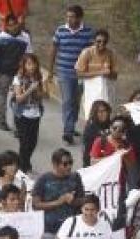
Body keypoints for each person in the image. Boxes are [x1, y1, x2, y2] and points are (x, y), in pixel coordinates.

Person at [45, 4, 94, 145]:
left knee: (75, 102)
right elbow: (53, 50)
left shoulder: (88, 32)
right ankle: (68, 131)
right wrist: (50, 71)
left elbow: (91, 53)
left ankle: (71, 125)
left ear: (79, 17)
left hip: (81, 74)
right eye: (67, 17)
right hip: (64, 72)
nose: (69, 19)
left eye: (72, 17)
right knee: (67, 101)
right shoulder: (60, 31)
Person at [32, 148, 84, 239]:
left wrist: (73, 201)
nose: (69, 166)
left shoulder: (75, 177)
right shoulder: (43, 179)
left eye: (71, 163)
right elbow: (36, 205)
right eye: (65, 164)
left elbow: (82, 201)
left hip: (70, 231)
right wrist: (59, 201)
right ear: (55, 164)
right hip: (49, 230)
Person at [0, 14, 31, 133]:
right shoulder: (0, 39)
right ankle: (1, 121)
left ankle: (17, 124)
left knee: (18, 98)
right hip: (4, 73)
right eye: (10, 25)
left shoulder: (25, 37)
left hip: (19, 73)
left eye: (15, 24)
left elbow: (29, 54)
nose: (13, 27)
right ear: (7, 26)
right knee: (3, 96)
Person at [11, 53, 44, 174]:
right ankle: (22, 166)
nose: (32, 66)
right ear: (24, 65)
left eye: (33, 64)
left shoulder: (37, 78)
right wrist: (30, 89)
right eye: (29, 64)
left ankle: (25, 161)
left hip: (35, 113)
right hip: (22, 114)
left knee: (33, 141)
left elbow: (42, 96)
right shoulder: (18, 79)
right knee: (24, 142)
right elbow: (19, 98)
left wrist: (39, 91)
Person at [75, 28, 117, 121]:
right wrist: (100, 73)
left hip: (106, 88)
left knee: (106, 114)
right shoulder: (87, 52)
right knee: (90, 113)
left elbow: (115, 76)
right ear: (94, 41)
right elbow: (79, 73)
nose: (101, 44)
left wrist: (109, 73)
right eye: (99, 41)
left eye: (104, 42)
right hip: (90, 89)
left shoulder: (110, 54)